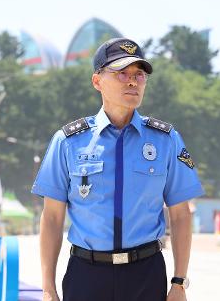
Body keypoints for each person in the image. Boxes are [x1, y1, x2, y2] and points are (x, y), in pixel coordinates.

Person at [31, 37, 204, 301]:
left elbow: (180, 215)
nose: (133, 81)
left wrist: (179, 283)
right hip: (86, 276)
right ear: (97, 81)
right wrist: (48, 288)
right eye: (122, 73)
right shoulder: (68, 141)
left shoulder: (165, 139)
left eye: (139, 74)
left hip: (145, 274)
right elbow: (52, 218)